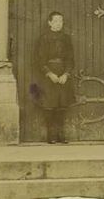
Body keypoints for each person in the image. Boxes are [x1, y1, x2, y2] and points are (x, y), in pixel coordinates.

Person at [32, 11, 75, 144]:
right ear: (50, 22)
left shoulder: (66, 38)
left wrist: (66, 74)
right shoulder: (44, 38)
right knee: (49, 105)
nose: (58, 24)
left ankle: (61, 134)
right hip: (48, 77)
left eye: (61, 21)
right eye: (56, 21)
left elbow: (70, 58)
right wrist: (49, 74)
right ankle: (51, 135)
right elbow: (39, 59)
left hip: (62, 75)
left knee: (62, 105)